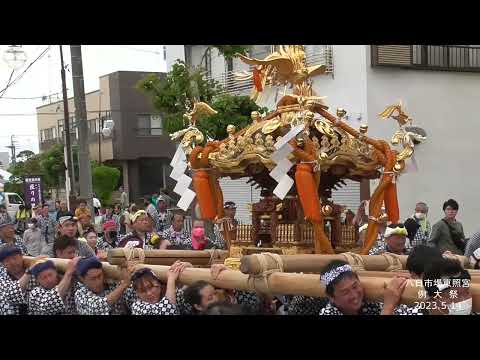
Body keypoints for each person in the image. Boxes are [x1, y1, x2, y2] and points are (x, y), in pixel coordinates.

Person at [318, 260, 421, 315]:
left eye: (355, 286)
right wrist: (388, 307)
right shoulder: (327, 313)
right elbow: (388, 306)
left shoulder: (370, 303)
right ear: (331, 297)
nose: (354, 295)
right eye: (345, 292)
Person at [181, 264, 267, 314]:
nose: (216, 297)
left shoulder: (237, 298)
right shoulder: (189, 306)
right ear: (198, 307)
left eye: (215, 293)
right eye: (210, 298)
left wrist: (230, 275)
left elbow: (257, 302)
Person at [0, 244, 37, 315]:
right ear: (3, 264)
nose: (12, 263)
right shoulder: (2, 279)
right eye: (7, 260)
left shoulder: (35, 274)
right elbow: (13, 295)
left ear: (21, 257)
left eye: (15, 258)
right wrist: (30, 271)